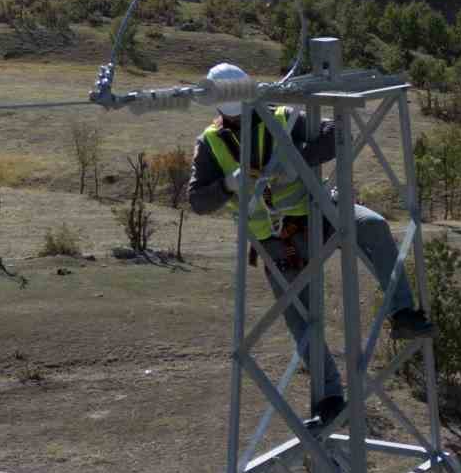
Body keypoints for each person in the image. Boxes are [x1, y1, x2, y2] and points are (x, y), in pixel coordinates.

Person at [185, 63, 433, 427]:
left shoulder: (284, 116)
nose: (243, 122)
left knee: (373, 226)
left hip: (319, 212)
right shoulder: (210, 143)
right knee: (303, 320)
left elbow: (334, 134)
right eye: (236, 118)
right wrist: (227, 186)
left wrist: (294, 160)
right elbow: (197, 201)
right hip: (276, 239)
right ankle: (330, 398)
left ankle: (403, 313)